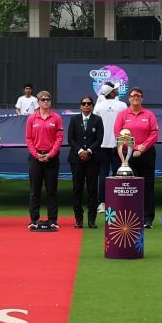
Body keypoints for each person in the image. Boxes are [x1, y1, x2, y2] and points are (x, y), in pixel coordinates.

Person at [114, 87, 160, 222]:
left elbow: (154, 134)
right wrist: (133, 148)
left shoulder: (149, 114)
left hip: (146, 154)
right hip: (127, 155)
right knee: (129, 186)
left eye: (139, 95)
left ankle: (147, 218)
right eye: (133, 95)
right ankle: (130, 217)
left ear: (142, 98)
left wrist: (143, 148)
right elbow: (118, 133)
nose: (136, 97)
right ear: (129, 98)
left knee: (147, 185)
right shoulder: (122, 114)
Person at [24, 92, 63, 231]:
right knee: (35, 190)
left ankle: (53, 220)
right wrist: (36, 155)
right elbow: (28, 138)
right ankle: (34, 220)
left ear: (50, 102)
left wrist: (50, 154)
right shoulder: (32, 118)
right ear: (38, 102)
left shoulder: (56, 118)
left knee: (51, 190)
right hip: (35, 158)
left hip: (51, 158)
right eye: (43, 100)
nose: (45, 102)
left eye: (48, 99)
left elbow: (59, 138)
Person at [69, 95, 107, 228]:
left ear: (92, 106)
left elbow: (99, 139)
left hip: (93, 159)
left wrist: (89, 151)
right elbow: (71, 139)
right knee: (77, 189)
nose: (86, 105)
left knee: (92, 189)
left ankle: (92, 220)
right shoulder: (74, 120)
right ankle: (78, 219)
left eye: (89, 103)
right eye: (84, 103)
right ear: (80, 106)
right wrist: (80, 151)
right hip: (76, 159)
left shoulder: (97, 120)